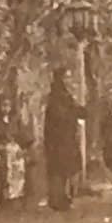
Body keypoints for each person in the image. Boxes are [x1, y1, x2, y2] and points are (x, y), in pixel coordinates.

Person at [42, 70, 85, 212]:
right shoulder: (55, 97)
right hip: (58, 139)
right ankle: (57, 199)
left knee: (67, 169)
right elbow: (60, 116)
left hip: (68, 138)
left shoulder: (67, 96)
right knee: (58, 170)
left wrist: (82, 110)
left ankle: (65, 197)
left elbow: (76, 111)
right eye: (66, 77)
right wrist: (74, 112)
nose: (69, 80)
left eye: (69, 76)